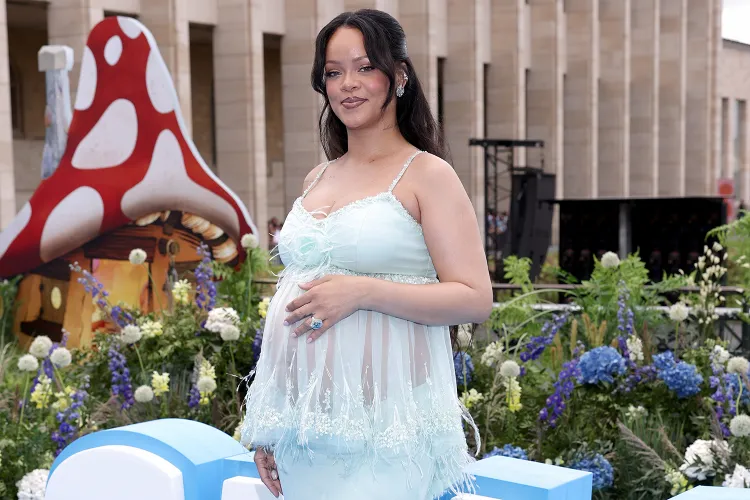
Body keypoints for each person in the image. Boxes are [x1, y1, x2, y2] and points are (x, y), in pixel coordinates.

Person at [240, 9, 492, 500]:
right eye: (334, 72)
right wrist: (270, 427)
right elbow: (292, 305)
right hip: (302, 432)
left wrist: (363, 292)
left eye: (364, 67)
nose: (348, 85)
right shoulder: (317, 177)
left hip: (385, 436)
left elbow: (475, 298)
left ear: (399, 75)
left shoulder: (428, 174)